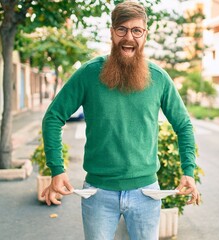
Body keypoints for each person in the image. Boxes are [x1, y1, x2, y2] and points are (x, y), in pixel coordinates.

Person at [41, 1, 200, 239]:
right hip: (98, 193)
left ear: (145, 34)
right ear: (112, 32)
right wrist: (56, 169)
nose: (129, 37)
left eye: (137, 30)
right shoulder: (88, 73)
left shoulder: (159, 78)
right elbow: (53, 117)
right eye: (122, 29)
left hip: (146, 193)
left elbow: (184, 125)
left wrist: (188, 170)